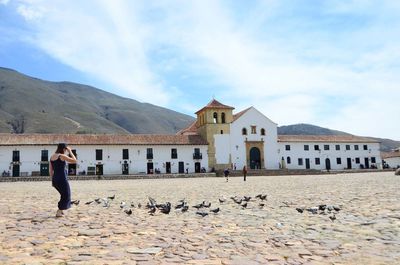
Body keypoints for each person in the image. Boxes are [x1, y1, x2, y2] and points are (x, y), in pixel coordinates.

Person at [49, 143, 77, 217]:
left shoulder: (52, 157)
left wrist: (52, 180)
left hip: (55, 179)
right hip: (62, 178)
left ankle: (61, 211)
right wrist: (70, 151)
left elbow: (51, 170)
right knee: (67, 194)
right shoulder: (62, 156)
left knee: (63, 194)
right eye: (66, 149)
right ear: (64, 149)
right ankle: (59, 210)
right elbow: (74, 160)